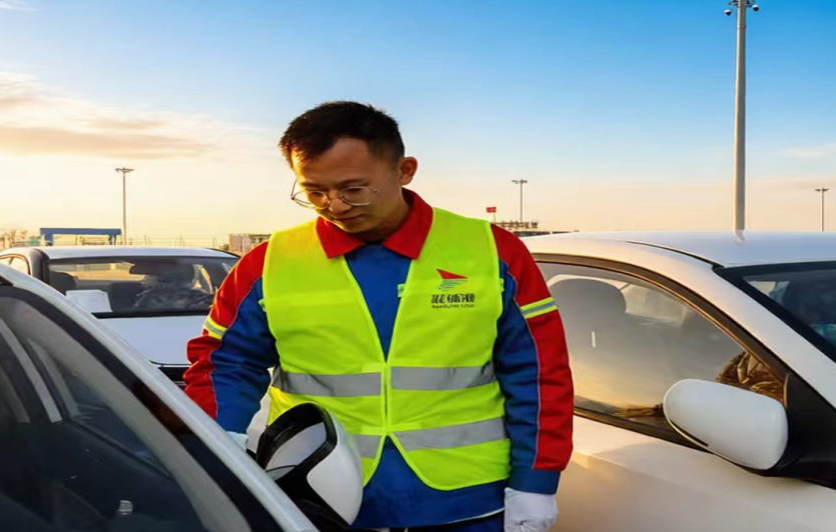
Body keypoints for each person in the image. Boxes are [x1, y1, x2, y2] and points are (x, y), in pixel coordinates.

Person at [184, 101, 573, 532]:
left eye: (353, 189)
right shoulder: (268, 264)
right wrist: (220, 445)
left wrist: (535, 482)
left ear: (404, 170)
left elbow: (539, 373)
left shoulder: (492, 252)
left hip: (468, 500)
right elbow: (226, 363)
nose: (335, 206)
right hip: (321, 499)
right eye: (314, 192)